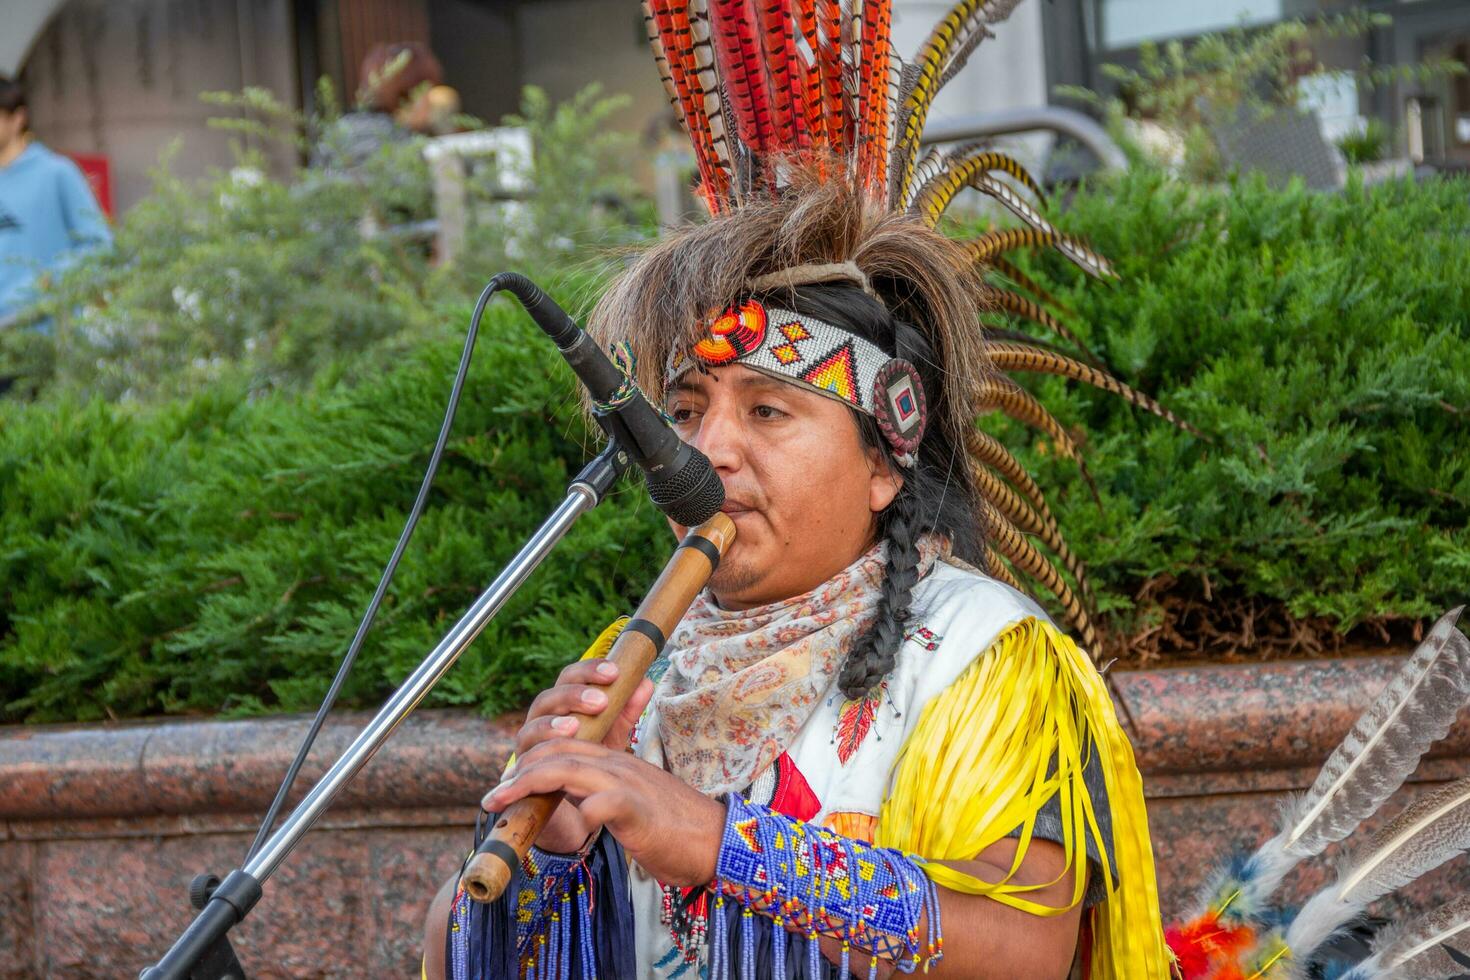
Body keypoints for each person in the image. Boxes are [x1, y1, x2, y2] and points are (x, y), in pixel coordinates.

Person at [424, 1, 1180, 976]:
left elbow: (1027, 951)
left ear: (882, 460)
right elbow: (454, 953)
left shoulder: (982, 654)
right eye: (688, 410)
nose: (712, 451)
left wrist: (714, 841)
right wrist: (550, 859)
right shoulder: (634, 670)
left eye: (769, 411)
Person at [0, 74, 111, 328]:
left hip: (45, 339)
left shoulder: (56, 173)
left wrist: (45, 285)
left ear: (18, 118)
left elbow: (98, 248)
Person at [312, 42, 445, 174]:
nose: (431, 102)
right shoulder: (397, 142)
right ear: (410, 94)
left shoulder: (336, 132)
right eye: (428, 91)